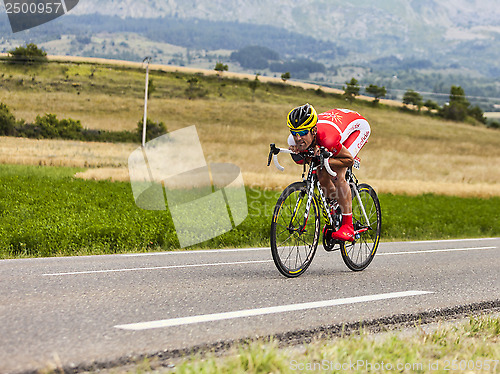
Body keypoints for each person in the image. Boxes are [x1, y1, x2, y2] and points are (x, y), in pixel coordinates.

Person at [287, 103, 371, 241]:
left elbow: (348, 160)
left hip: (357, 127)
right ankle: (335, 206)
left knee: (338, 176)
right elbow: (302, 160)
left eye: (302, 133)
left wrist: (324, 157)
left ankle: (348, 226)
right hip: (336, 123)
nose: (297, 138)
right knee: (321, 172)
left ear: (313, 130)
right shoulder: (294, 140)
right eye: (294, 133)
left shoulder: (328, 138)